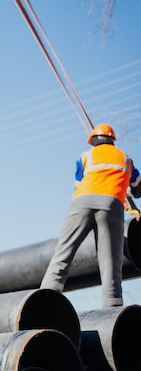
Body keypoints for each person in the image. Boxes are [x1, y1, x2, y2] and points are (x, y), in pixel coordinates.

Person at [40, 124, 141, 308]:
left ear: (93, 141)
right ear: (112, 140)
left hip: (81, 202)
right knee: (110, 263)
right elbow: (138, 186)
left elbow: (78, 184)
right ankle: (112, 313)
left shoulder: (86, 156)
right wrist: (126, 190)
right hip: (111, 205)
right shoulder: (126, 159)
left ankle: (44, 301)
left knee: (62, 254)